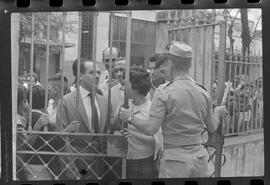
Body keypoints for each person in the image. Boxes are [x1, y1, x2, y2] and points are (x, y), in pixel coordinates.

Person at [119, 41, 227, 178]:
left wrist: (129, 117)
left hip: (175, 162)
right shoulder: (202, 92)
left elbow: (150, 128)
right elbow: (212, 127)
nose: (163, 74)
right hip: (199, 160)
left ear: (171, 63)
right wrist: (217, 112)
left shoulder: (164, 92)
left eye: (164, 70)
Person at [56, 64, 108, 180]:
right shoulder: (66, 101)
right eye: (92, 72)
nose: (97, 76)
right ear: (81, 76)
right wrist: (71, 170)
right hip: (77, 165)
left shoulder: (101, 99)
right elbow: (61, 138)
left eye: (99, 73)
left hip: (100, 164)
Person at [115, 67, 162, 178]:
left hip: (144, 161)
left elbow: (157, 143)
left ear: (135, 87)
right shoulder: (126, 106)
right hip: (124, 160)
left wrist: (134, 135)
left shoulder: (152, 109)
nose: (123, 86)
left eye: (126, 83)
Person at [24, 85, 55, 180]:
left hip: (28, 162)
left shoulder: (27, 117)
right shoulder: (43, 120)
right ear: (45, 100)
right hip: (41, 164)